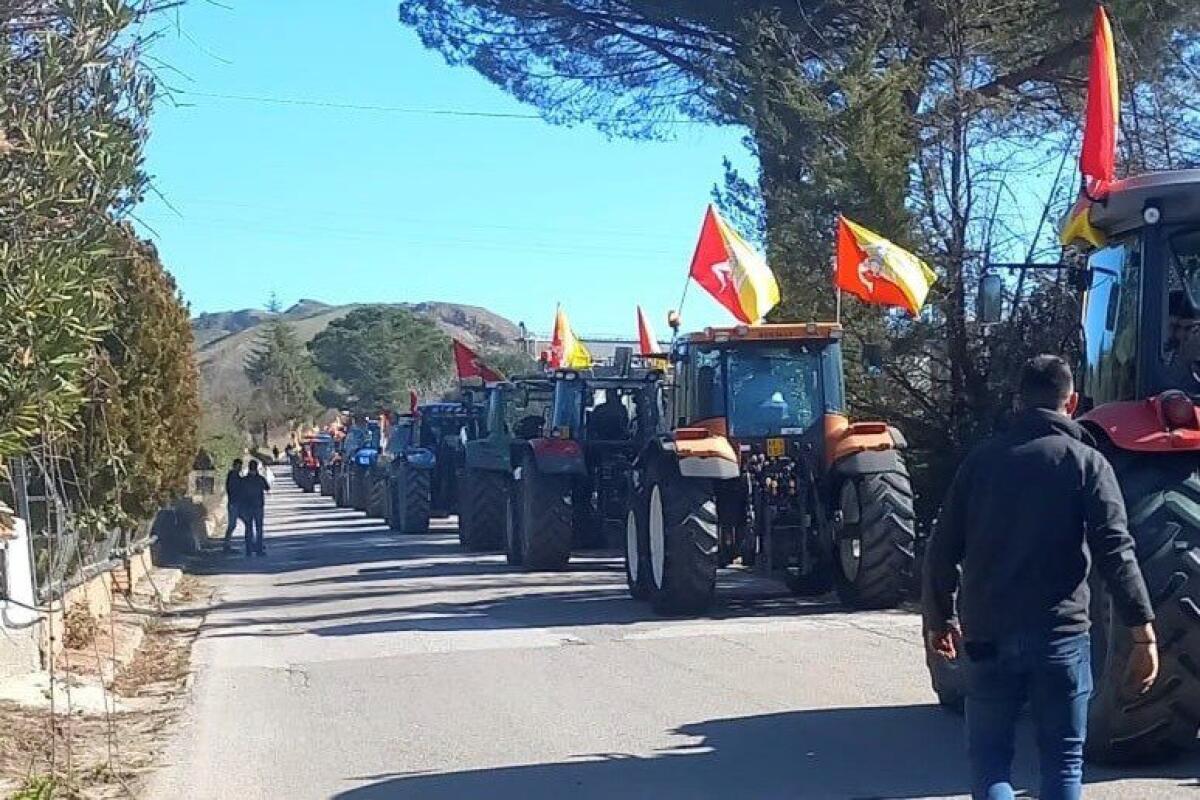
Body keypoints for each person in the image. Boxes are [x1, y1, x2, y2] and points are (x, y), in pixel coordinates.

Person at [923, 355, 1159, 800]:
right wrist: (1141, 629)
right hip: (1061, 638)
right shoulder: (1087, 463)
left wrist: (940, 618)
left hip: (988, 635)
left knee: (991, 762)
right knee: (1064, 762)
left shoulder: (980, 463)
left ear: (1019, 400)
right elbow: (1115, 550)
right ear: (1070, 402)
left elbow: (942, 547)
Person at [239, 459, 271, 556]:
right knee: (259, 529)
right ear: (257, 467)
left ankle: (248, 550)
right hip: (258, 506)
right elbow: (267, 487)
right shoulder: (260, 479)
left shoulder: (244, 480)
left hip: (247, 506)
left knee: (248, 528)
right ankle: (259, 550)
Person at [223, 459, 245, 554]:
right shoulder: (233, 476)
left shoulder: (235, 476)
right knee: (232, 525)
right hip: (234, 504)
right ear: (235, 466)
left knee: (246, 522)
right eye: (239, 466)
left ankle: (251, 543)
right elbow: (234, 489)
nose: (240, 468)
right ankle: (226, 545)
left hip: (237, 504)